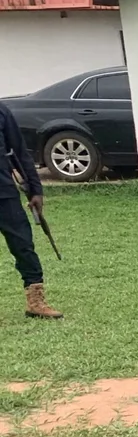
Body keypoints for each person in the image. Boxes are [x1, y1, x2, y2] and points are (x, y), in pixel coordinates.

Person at [0, 100, 62, 319]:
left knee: (23, 245)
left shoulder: (2, 111)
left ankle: (36, 302)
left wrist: (36, 190)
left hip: (4, 194)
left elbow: (19, 152)